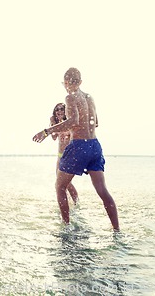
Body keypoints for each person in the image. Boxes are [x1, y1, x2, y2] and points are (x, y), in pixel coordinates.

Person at [32, 68, 119, 231]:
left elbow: (73, 120)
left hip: (79, 145)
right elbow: (95, 123)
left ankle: (66, 227)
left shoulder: (70, 97)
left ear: (76, 83)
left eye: (69, 83)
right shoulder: (90, 98)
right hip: (95, 145)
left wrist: (47, 131)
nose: (68, 86)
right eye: (66, 83)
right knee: (103, 191)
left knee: (59, 187)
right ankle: (117, 230)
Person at [49, 103, 79, 205]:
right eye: (57, 110)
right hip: (60, 156)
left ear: (65, 111)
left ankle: (76, 203)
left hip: (70, 156)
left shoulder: (69, 123)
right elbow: (53, 137)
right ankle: (68, 204)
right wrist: (52, 123)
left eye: (61, 109)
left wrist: (57, 126)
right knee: (60, 182)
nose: (59, 111)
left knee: (65, 182)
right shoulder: (57, 124)